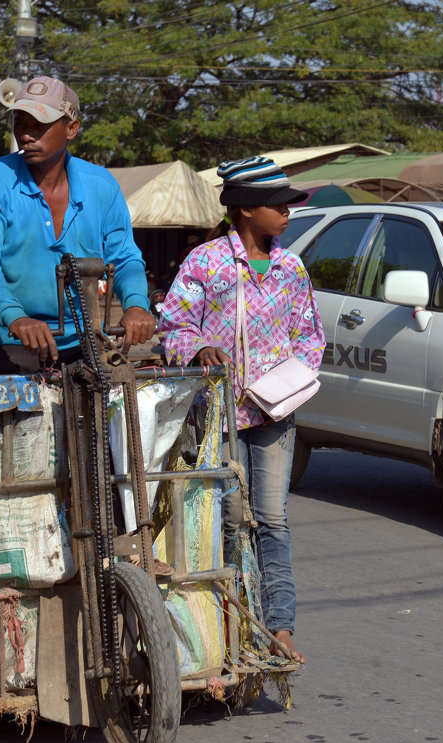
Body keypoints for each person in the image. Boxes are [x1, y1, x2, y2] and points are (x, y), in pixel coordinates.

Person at [157, 156, 325, 664]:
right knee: (228, 519)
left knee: (271, 518)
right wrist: (198, 349)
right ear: (248, 209)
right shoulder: (205, 263)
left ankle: (279, 626)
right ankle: (231, 621)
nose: (289, 213)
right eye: (281, 205)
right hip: (219, 416)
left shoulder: (292, 268)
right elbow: (174, 325)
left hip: (274, 416)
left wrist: (285, 382)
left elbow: (311, 339)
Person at [0, 75, 155, 374]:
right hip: (9, 341)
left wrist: (136, 305)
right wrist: (15, 317)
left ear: (71, 128)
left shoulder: (101, 185)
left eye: (39, 126)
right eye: (20, 124)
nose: (26, 135)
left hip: (85, 339)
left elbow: (125, 258)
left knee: (120, 396)